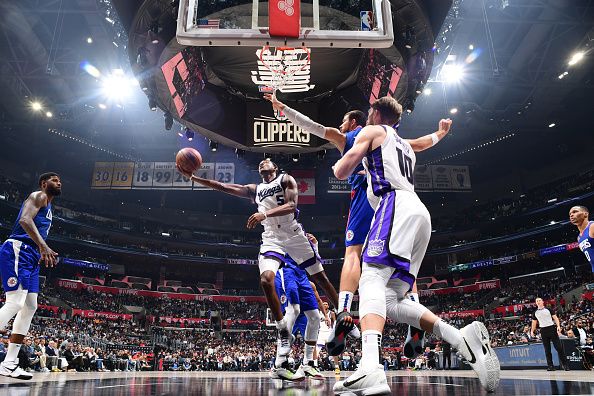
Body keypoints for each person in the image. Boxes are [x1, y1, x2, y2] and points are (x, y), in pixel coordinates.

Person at [331, 96, 500, 394]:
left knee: (370, 276)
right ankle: (461, 338)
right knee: (389, 301)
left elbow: (342, 170)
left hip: (393, 203)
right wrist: (441, 134)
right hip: (419, 214)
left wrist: (343, 165)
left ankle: (370, 367)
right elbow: (422, 143)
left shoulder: (372, 131)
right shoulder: (403, 144)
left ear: (375, 114)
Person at [265, 94, 425, 359]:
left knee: (353, 252)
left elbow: (312, 126)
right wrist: (440, 134)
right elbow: (418, 144)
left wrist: (282, 107)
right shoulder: (390, 137)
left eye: (343, 122)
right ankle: (415, 314)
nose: (340, 126)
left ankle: (344, 310)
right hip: (397, 200)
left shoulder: (354, 136)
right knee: (404, 259)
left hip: (367, 195)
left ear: (353, 122)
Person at [179, 159, 338, 381]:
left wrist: (265, 214)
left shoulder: (286, 179)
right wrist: (195, 179)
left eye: (268, 160)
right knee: (266, 279)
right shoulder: (255, 190)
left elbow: (292, 205)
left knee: (320, 278)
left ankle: (343, 314)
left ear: (274, 168)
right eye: (260, 161)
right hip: (271, 238)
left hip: (293, 234)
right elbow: (224, 187)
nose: (263, 161)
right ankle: (283, 330)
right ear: (259, 171)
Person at [0, 172, 61, 380]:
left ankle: (9, 363)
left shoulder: (50, 206)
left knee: (30, 306)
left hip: (32, 256)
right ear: (44, 184)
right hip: (19, 249)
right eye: (54, 179)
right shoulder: (39, 196)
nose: (58, 182)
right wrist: (43, 246)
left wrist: (41, 249)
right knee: (15, 303)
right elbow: (25, 220)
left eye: (60, 180)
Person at [272, 238, 326, 380]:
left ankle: (308, 363)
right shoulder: (281, 230)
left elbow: (315, 261)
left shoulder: (302, 235)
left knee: (314, 317)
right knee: (294, 310)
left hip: (302, 275)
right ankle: (280, 364)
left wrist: (315, 245)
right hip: (287, 271)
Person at [530, 297, 569, 371]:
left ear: (542, 302)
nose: (538, 302)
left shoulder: (549, 309)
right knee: (547, 350)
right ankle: (550, 366)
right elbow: (534, 323)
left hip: (551, 329)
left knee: (559, 348)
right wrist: (532, 331)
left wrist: (558, 326)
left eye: (539, 300)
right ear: (536, 303)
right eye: (537, 301)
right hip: (543, 330)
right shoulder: (535, 312)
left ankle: (565, 365)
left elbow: (556, 318)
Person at [569, 205, 594, 272]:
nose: (571, 215)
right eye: (570, 214)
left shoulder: (592, 226)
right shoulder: (579, 238)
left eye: (575, 212)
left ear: (585, 214)